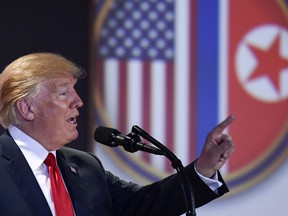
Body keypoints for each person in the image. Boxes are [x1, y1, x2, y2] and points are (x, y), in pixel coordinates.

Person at [0, 52, 234, 216]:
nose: (78, 101)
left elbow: (144, 205)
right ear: (27, 108)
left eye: (75, 91)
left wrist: (204, 167)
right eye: (63, 94)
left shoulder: (85, 167)